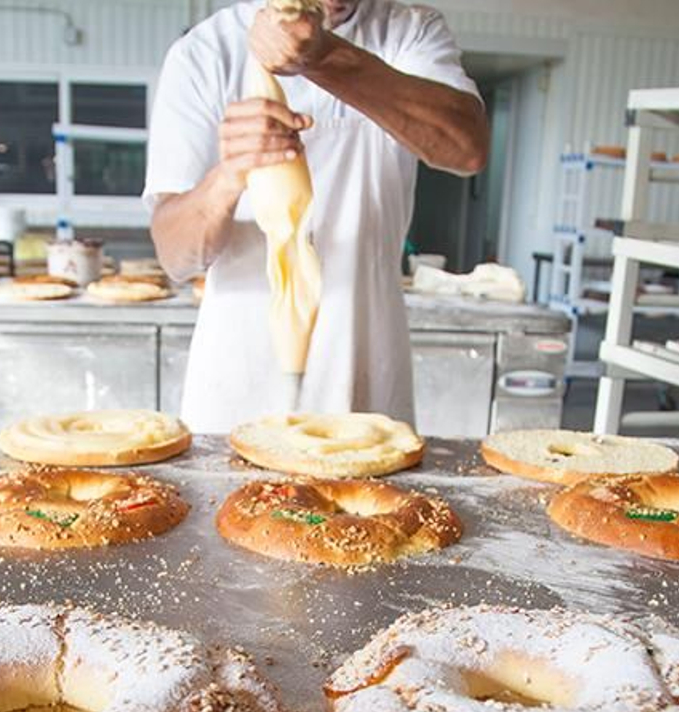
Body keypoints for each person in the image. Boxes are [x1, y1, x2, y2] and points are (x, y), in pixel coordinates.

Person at [144, 0, 488, 433]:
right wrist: (229, 175)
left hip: (365, 361)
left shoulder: (408, 32)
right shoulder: (205, 53)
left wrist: (325, 57)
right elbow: (175, 253)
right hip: (237, 380)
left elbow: (467, 148)